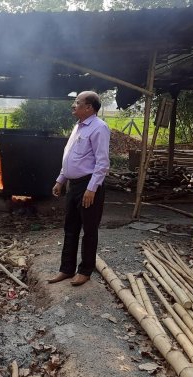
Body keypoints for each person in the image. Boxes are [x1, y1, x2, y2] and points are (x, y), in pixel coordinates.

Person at [48, 91, 110, 287]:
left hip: (89, 185)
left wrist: (92, 189)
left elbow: (102, 163)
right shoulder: (78, 127)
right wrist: (61, 179)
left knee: (89, 229)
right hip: (74, 185)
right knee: (70, 228)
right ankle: (66, 269)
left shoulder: (99, 128)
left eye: (77, 102)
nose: (73, 105)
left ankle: (85, 271)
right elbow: (70, 157)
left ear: (89, 107)